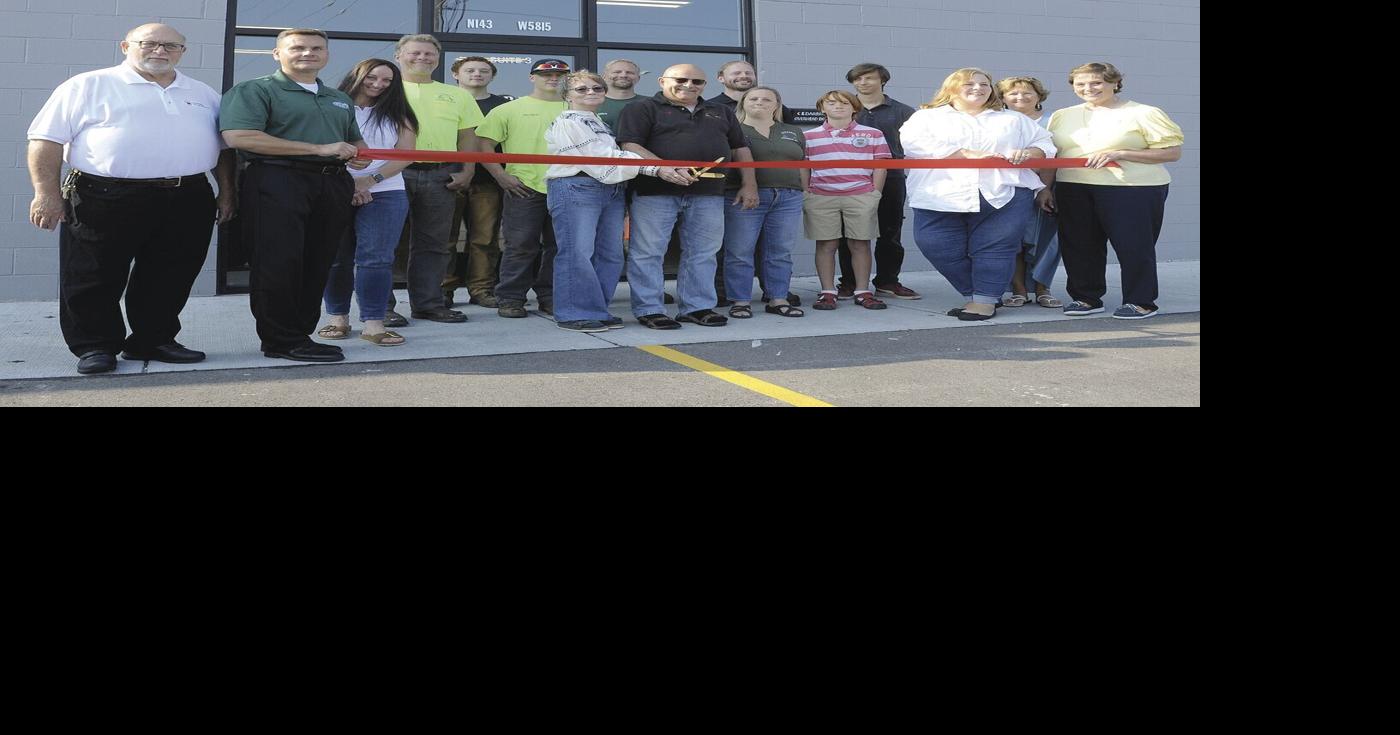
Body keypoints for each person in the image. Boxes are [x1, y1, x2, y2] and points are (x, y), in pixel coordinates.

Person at [26, 23, 235, 375]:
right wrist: (45, 194)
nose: (160, 51)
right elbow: (44, 141)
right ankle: (95, 345)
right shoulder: (87, 85)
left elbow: (225, 149)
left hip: (188, 195)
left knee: (171, 273)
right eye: (149, 43)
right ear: (126, 46)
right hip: (103, 194)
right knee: (93, 274)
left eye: (171, 45)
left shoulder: (202, 92)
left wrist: (227, 193)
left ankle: (152, 339)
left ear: (183, 51)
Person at [220, 29, 368, 363]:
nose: (308, 53)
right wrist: (318, 148)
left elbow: (354, 141)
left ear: (326, 55)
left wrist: (360, 152)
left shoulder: (338, 98)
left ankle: (300, 334)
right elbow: (240, 137)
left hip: (331, 183)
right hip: (278, 179)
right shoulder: (255, 90)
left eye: (317, 48)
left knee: (317, 260)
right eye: (297, 47)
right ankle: (279, 340)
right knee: (278, 262)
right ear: (277, 54)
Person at [900, 68, 1054, 322]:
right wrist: (965, 154)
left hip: (1005, 192)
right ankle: (981, 293)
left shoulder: (1012, 119)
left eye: (984, 84)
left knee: (995, 247)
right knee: (935, 243)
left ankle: (984, 299)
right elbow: (913, 143)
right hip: (939, 193)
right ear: (951, 88)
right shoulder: (926, 117)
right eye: (969, 84)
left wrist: (1030, 152)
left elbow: (1046, 144)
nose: (978, 88)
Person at [617, 64, 758, 329]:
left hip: (708, 194)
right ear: (661, 81)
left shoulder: (720, 111)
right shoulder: (642, 109)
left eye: (697, 82)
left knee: (703, 252)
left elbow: (739, 148)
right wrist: (663, 168)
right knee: (648, 252)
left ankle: (698, 307)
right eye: (681, 79)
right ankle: (650, 309)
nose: (689, 85)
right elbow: (630, 145)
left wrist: (749, 184)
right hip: (655, 191)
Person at [1046, 62, 1184, 320]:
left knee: (1133, 245)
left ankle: (1140, 301)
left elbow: (1172, 152)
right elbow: (1055, 154)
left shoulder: (1144, 113)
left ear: (1114, 83)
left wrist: (1121, 153)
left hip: (1132, 188)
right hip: (1074, 186)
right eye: (1081, 84)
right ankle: (1086, 298)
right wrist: (1046, 188)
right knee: (1079, 245)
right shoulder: (1063, 115)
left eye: (1096, 82)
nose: (1089, 88)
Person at [544, 70, 677, 332]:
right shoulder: (568, 121)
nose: (591, 93)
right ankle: (573, 313)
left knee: (611, 255)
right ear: (567, 95)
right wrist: (654, 168)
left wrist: (637, 166)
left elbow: (612, 160)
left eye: (597, 88)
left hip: (610, 189)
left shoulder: (598, 123)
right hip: (577, 187)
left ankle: (597, 309)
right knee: (577, 252)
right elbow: (600, 159)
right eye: (581, 89)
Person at [319, 59, 419, 347]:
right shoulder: (332, 106)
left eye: (387, 80)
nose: (379, 84)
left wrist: (368, 180)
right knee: (336, 258)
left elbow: (405, 154)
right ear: (357, 75)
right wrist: (349, 183)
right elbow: (321, 147)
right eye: (372, 77)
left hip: (386, 191)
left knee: (376, 259)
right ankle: (337, 318)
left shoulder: (400, 112)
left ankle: (374, 323)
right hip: (336, 188)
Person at [391, 34, 483, 325]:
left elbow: (468, 136)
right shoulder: (384, 90)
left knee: (433, 244)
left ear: (438, 59)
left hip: (440, 174)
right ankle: (381, 308)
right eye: (414, 53)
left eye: (429, 54)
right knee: (385, 243)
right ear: (398, 56)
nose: (422, 58)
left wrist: (467, 170)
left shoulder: (458, 95)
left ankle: (428, 304)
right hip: (392, 174)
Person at [476, 59, 571, 319]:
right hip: (524, 186)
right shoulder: (509, 109)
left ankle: (549, 296)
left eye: (559, 74)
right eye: (546, 74)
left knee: (558, 247)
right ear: (532, 78)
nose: (553, 79)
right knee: (520, 245)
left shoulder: (577, 108)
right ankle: (510, 298)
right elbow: (483, 146)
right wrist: (500, 175)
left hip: (566, 186)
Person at [803, 90, 891, 312]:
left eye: (845, 103)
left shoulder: (873, 133)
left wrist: (875, 194)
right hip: (821, 195)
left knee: (860, 243)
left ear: (855, 108)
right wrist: (806, 192)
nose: (838, 107)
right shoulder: (808, 136)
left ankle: (862, 291)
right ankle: (828, 292)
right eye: (831, 103)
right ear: (822, 108)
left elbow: (881, 165)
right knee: (826, 244)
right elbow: (803, 167)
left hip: (861, 194)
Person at [722, 87, 806, 319]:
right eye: (754, 98)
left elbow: (802, 164)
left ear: (777, 105)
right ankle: (740, 300)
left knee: (780, 250)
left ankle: (777, 298)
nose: (760, 102)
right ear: (743, 104)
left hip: (788, 197)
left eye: (767, 99)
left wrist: (805, 191)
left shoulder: (793, 131)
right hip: (744, 197)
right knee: (740, 250)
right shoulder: (733, 129)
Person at [844, 62, 921, 301]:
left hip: (892, 178)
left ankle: (888, 281)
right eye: (857, 79)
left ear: (883, 81)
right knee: (850, 233)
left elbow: (916, 145)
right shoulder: (843, 108)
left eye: (869, 78)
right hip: (850, 178)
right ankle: (849, 283)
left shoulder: (903, 111)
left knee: (890, 231)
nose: (863, 83)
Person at [446, 56, 513, 309]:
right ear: (456, 74)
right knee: (445, 239)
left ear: (492, 76)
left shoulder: (502, 105)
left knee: (485, 239)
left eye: (484, 71)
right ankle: (444, 289)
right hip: (450, 178)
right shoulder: (446, 100)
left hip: (489, 181)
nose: (477, 74)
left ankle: (482, 289)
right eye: (470, 70)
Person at [997, 75, 1062, 308]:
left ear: (1038, 96)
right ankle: (1019, 290)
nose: (1020, 97)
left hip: (1046, 187)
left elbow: (1053, 156)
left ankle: (1043, 288)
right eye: (1012, 93)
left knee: (1045, 240)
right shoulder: (997, 120)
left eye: (1027, 93)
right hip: (1008, 190)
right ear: (1003, 98)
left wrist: (1045, 189)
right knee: (1012, 240)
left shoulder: (1051, 120)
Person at [596, 59, 644, 134]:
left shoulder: (651, 104)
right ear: (604, 77)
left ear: (638, 78)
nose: (623, 75)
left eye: (629, 72)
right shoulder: (592, 103)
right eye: (617, 72)